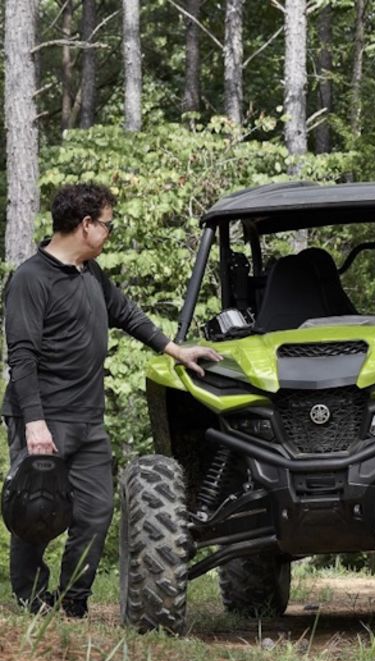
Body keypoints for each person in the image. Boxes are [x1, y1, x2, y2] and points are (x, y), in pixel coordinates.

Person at [3, 182, 222, 617]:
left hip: (88, 418)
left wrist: (174, 350)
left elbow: (125, 313)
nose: (109, 232)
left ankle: (72, 600)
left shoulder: (90, 273)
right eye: (107, 225)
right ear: (86, 225)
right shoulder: (31, 278)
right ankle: (31, 601)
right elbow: (22, 357)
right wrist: (35, 423)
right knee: (35, 511)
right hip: (44, 417)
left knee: (96, 511)